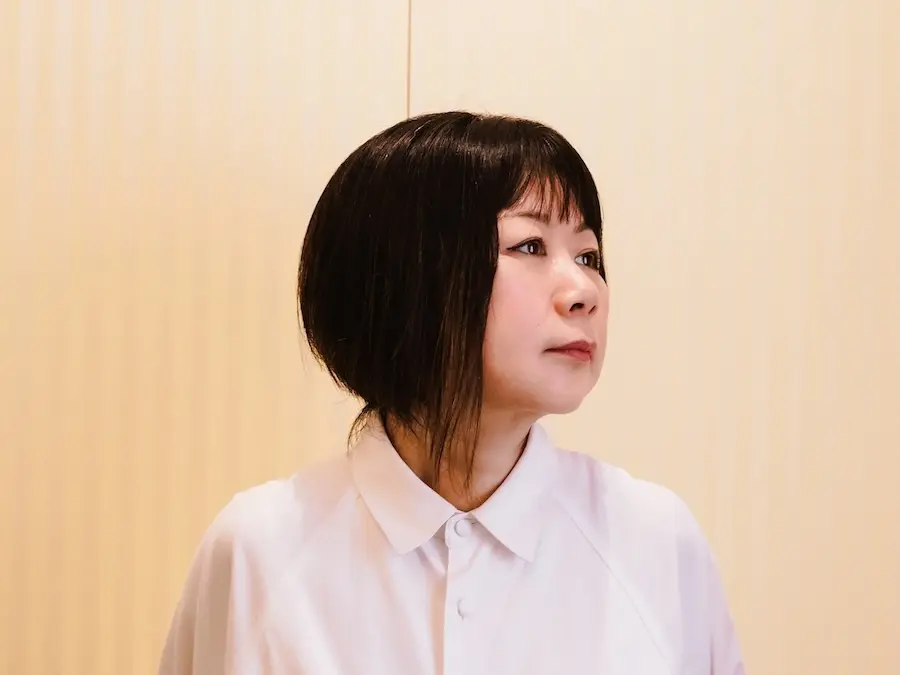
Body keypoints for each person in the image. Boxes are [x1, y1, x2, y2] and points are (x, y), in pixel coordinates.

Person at [158, 112, 746, 675]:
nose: (584, 291)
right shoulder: (260, 550)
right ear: (408, 275)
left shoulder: (655, 541)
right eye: (530, 246)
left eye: (588, 256)